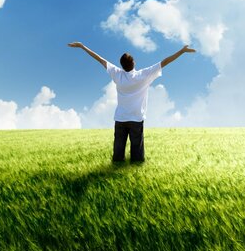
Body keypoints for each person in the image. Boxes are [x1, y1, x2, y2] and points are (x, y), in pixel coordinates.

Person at [68, 42, 196, 162]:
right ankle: (135, 167)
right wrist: (182, 51)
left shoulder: (117, 74)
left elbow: (100, 59)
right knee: (137, 153)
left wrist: (82, 46)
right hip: (136, 119)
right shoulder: (143, 75)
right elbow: (165, 62)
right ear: (133, 63)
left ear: (122, 65)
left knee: (118, 151)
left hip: (120, 118)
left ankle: (117, 165)